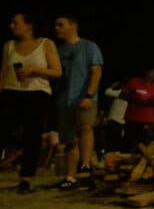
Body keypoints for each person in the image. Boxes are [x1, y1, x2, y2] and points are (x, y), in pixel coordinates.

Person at [0, 12, 62, 193]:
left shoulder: (45, 43)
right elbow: (3, 73)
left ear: (29, 25)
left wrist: (34, 70)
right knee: (2, 131)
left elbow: (57, 72)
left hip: (37, 93)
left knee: (32, 137)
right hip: (11, 92)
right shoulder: (9, 46)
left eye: (16, 22)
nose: (12, 26)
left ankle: (25, 180)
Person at [52, 16, 104, 189]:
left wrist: (88, 95)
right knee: (69, 140)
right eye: (56, 25)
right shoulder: (58, 50)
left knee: (86, 128)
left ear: (73, 26)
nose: (56, 28)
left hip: (84, 97)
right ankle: (70, 177)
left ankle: (86, 167)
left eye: (61, 24)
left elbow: (96, 72)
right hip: (64, 99)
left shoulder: (89, 46)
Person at [122, 68, 154, 152]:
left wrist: (152, 103)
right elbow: (123, 95)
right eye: (153, 71)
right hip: (132, 118)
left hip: (147, 121)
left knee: (144, 144)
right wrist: (136, 99)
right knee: (129, 143)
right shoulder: (134, 82)